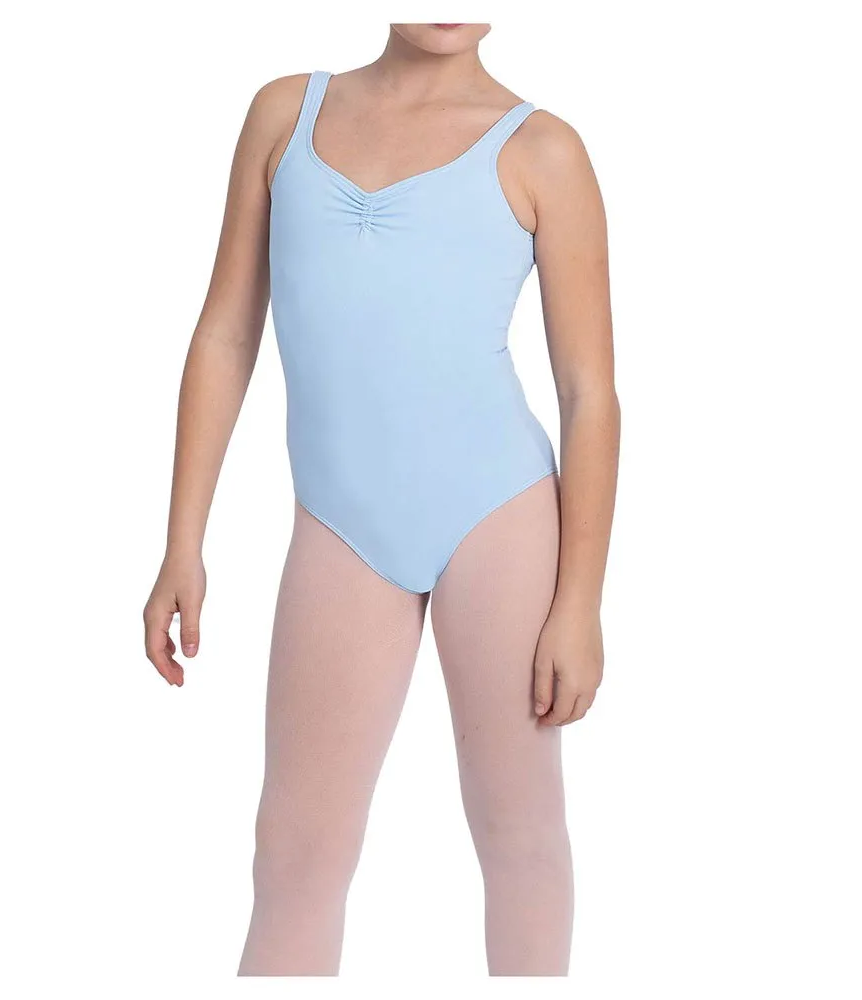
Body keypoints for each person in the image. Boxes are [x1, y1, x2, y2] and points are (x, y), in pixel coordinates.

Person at [143, 23, 619, 977]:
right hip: (340, 527)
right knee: (293, 852)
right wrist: (182, 543)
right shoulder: (285, 114)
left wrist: (580, 605)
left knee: (519, 836)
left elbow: (588, 392)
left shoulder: (542, 150)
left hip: (500, 518)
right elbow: (225, 333)